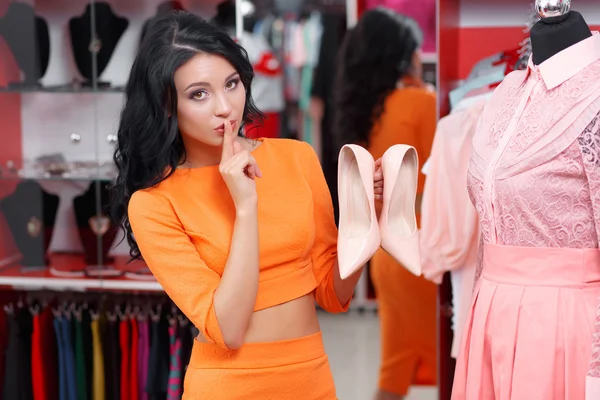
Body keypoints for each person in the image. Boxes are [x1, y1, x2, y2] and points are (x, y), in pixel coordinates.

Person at [110, 10, 382, 399]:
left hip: (311, 379)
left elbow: (333, 295)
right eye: (199, 94)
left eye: (231, 83)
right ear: (167, 105)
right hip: (228, 386)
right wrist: (245, 206)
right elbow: (229, 329)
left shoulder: (297, 157)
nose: (225, 107)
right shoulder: (154, 203)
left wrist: (362, 214)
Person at [333, 8, 437, 400]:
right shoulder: (419, 103)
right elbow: (442, 184)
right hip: (424, 245)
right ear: (404, 55)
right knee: (448, 360)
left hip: (385, 254)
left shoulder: (361, 114)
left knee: (395, 366)